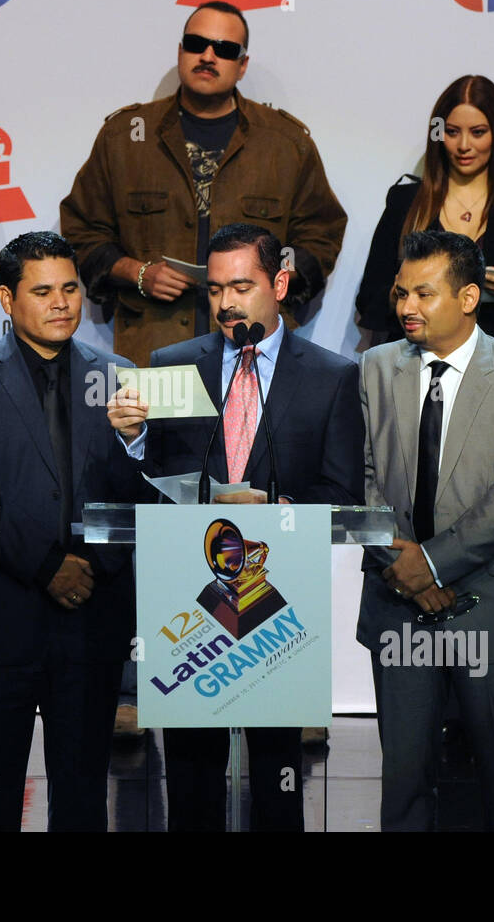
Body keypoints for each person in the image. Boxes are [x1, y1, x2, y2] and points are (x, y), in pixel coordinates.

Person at [108, 222, 363, 830]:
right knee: (192, 777)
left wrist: (276, 514)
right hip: (192, 605)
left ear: (279, 283)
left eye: (241, 287)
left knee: (278, 776)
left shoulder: (331, 376)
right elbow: (150, 482)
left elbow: (342, 493)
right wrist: (135, 438)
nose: (225, 304)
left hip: (279, 601)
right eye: (216, 289)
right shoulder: (173, 365)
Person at [0, 232, 142, 831]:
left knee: (81, 800)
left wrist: (137, 442)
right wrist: (48, 566)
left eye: (71, 288)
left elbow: (137, 499)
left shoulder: (121, 375)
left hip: (92, 621)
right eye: (43, 290)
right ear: (6, 299)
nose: (61, 303)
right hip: (0, 623)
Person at [355, 229, 494, 831]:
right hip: (397, 600)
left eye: (424, 294)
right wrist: (406, 569)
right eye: (400, 294)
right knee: (406, 782)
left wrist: (434, 563)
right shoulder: (373, 368)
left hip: (488, 601)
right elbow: (360, 475)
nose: (406, 308)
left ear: (469, 297)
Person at [61, 0, 347, 367]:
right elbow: (82, 231)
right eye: (197, 44)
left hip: (254, 351)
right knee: (156, 428)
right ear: (181, 52)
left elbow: (321, 234)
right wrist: (138, 273)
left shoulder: (285, 143)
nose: (208, 56)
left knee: (250, 427)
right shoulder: (126, 138)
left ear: (242, 65)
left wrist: (268, 278)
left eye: (225, 50)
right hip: (153, 350)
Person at [356, 74, 494, 351]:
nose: (464, 145)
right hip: (414, 361)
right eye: (452, 132)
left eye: (478, 132)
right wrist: (402, 292)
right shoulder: (405, 202)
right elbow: (368, 301)